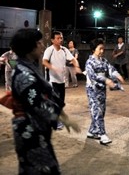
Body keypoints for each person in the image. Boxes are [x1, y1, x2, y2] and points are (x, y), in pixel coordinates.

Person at [10, 28, 80, 174]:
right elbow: (38, 103)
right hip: (30, 131)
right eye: (39, 42)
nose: (42, 45)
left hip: (36, 130)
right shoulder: (24, 73)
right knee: (45, 169)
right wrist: (63, 118)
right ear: (30, 47)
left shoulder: (29, 67)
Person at [85, 38, 125, 145]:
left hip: (101, 89)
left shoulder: (104, 61)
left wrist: (118, 75)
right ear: (94, 49)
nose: (102, 51)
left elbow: (111, 69)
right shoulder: (89, 62)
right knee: (97, 110)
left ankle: (92, 131)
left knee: (101, 111)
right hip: (92, 89)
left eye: (103, 48)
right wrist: (106, 80)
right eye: (100, 49)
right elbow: (92, 76)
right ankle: (102, 134)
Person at [43, 31, 81, 130]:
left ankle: (53, 118)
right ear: (52, 40)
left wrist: (76, 66)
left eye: (61, 38)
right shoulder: (49, 50)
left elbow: (73, 59)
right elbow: (44, 61)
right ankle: (55, 121)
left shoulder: (64, 50)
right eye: (58, 38)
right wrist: (53, 68)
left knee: (60, 101)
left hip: (61, 80)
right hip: (52, 79)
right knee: (55, 101)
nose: (60, 40)